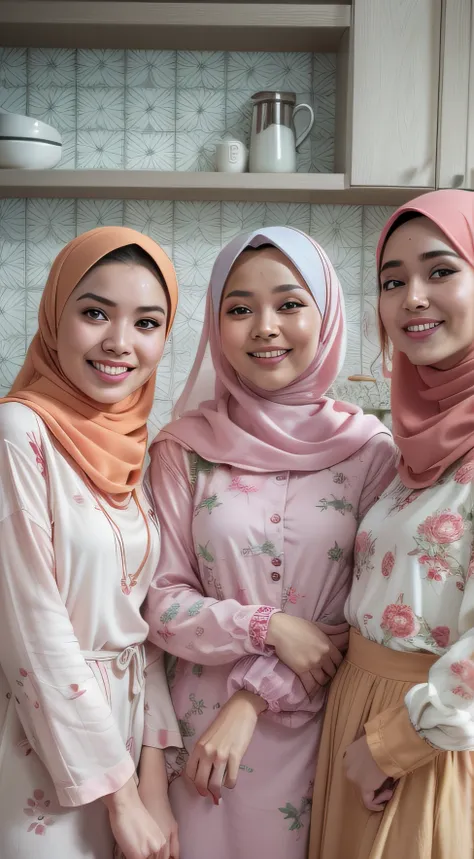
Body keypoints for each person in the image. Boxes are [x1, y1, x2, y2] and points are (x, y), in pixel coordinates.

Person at [142, 226, 397, 859]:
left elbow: (359, 618)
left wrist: (252, 699)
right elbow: (159, 602)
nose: (265, 327)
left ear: (327, 315)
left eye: (289, 304)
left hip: (327, 734)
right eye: (239, 308)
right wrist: (268, 625)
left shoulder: (373, 454)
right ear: (215, 326)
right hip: (202, 746)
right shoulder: (182, 450)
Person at [0, 227, 182, 859]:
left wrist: (152, 786)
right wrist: (121, 798)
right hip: (46, 743)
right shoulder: (18, 431)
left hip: (130, 745)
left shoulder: (135, 452)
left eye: (147, 322)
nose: (119, 343)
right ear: (56, 315)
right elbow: (32, 626)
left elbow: (143, 631)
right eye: (95, 312)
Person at [310, 189, 474, 859]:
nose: (412, 296)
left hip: (426, 745)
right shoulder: (406, 445)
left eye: (441, 270)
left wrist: (395, 744)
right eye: (391, 280)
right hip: (361, 723)